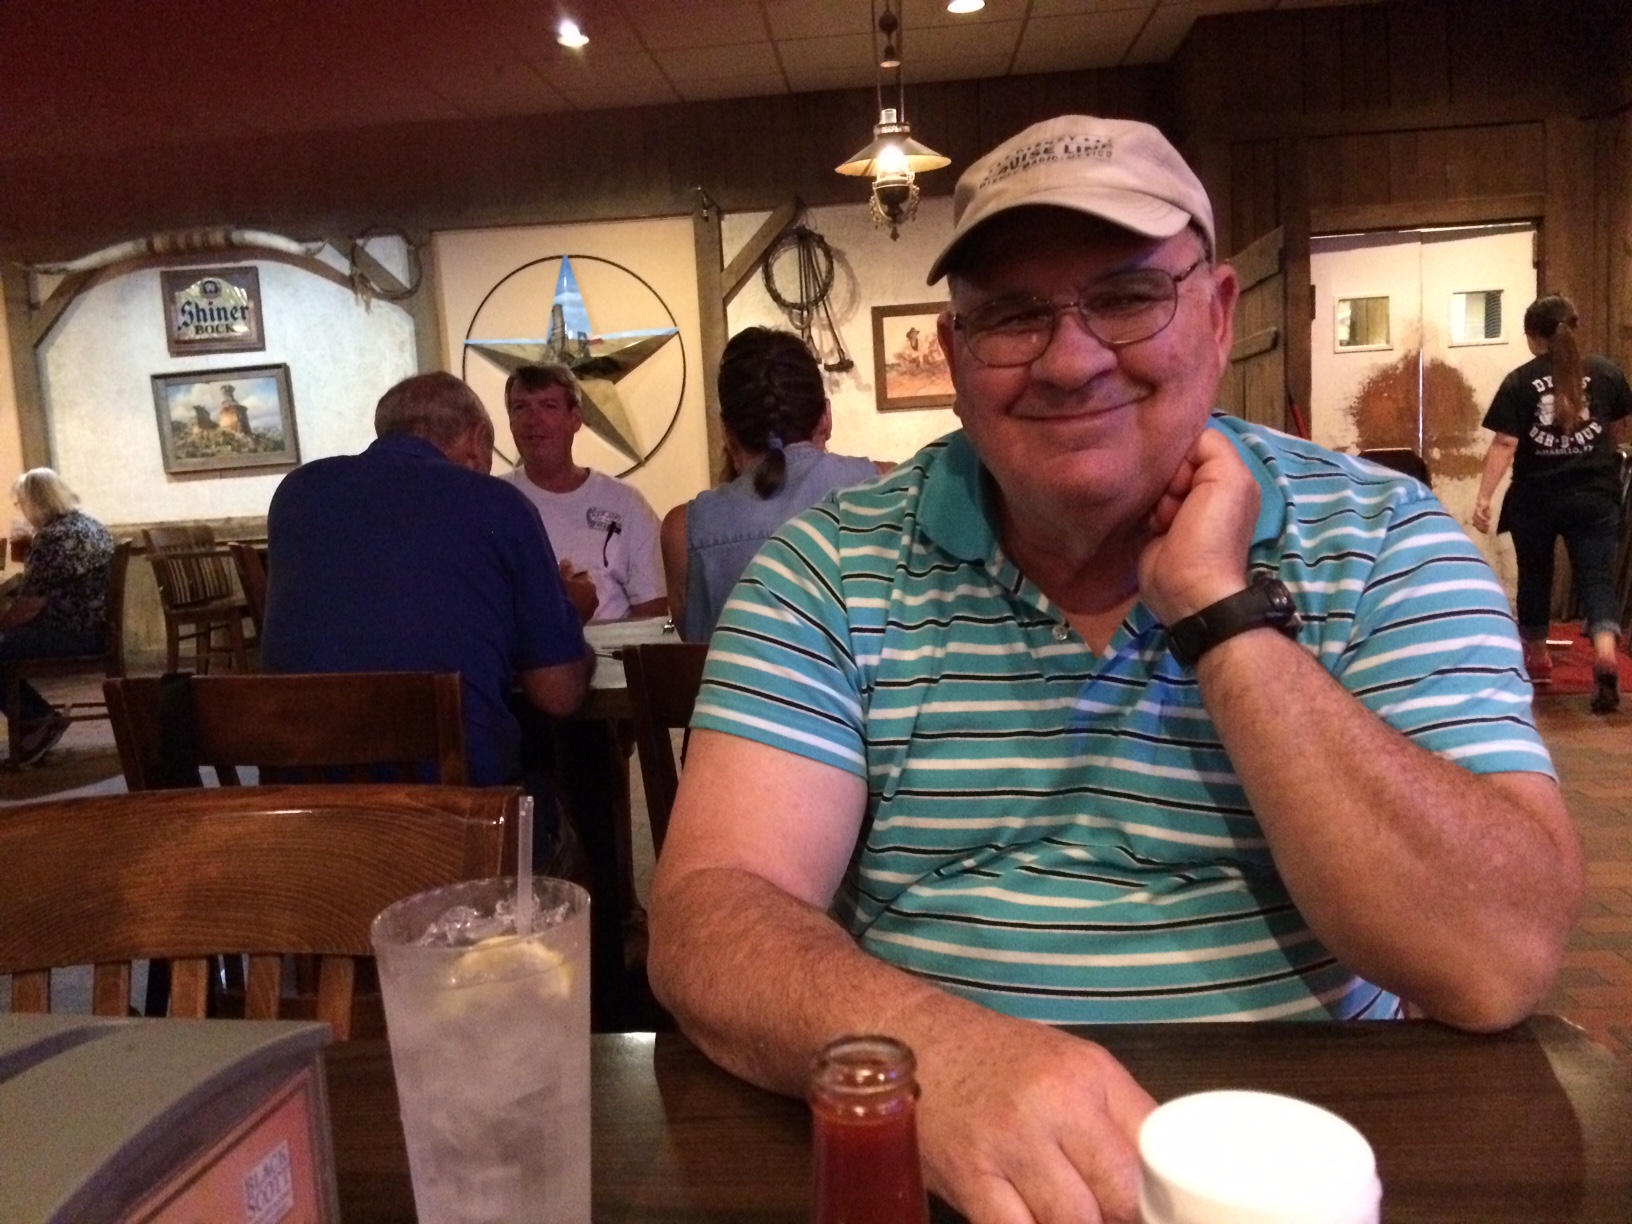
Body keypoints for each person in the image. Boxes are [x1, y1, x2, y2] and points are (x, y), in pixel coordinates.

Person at [647, 115, 1584, 1224]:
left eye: (1128, 296)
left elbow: (1499, 955)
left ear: (1218, 315)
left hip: (1287, 1178)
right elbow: (710, 915)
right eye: (1012, 315)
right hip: (940, 1169)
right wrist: (937, 1056)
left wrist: (1222, 617)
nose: (1072, 358)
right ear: (955, 358)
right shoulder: (827, 570)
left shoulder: (1385, 542)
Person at [262, 371, 594, 827]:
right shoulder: (499, 504)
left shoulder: (297, 494)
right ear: (476, 439)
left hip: (311, 815)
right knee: (568, 795)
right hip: (456, 822)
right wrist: (570, 613)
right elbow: (559, 695)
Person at [661, 327, 881, 641]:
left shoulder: (681, 532)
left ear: (726, 432)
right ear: (826, 417)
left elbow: (697, 653)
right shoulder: (889, 486)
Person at [1473, 295, 1632, 714]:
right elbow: (1618, 425)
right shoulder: (1607, 372)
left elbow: (1505, 443)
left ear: (1532, 337)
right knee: (1597, 579)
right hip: (1596, 495)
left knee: (1535, 575)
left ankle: (1539, 660)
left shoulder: (1519, 381)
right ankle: (1605, 655)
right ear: (1574, 327)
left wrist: (1484, 497)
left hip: (1536, 498)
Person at [503, 363, 666, 622]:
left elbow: (653, 608)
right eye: (520, 408)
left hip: (613, 647)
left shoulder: (626, 503)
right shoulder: (494, 501)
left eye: (548, 406)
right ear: (510, 421)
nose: (533, 421)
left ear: (575, 419)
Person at [0, 468, 114, 765]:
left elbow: (29, 606)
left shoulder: (52, 538)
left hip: (72, 633)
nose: (22, 511)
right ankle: (38, 719)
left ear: (35, 501)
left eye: (20, 503)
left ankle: (37, 723)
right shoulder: (89, 524)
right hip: (95, 626)